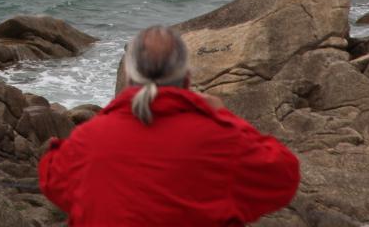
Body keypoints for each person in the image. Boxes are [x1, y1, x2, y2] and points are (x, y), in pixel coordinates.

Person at [39, 26, 299, 226]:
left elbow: (51, 176)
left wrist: (107, 117)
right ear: (186, 77)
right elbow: (284, 176)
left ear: (128, 76)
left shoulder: (89, 140)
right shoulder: (220, 139)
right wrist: (223, 116)